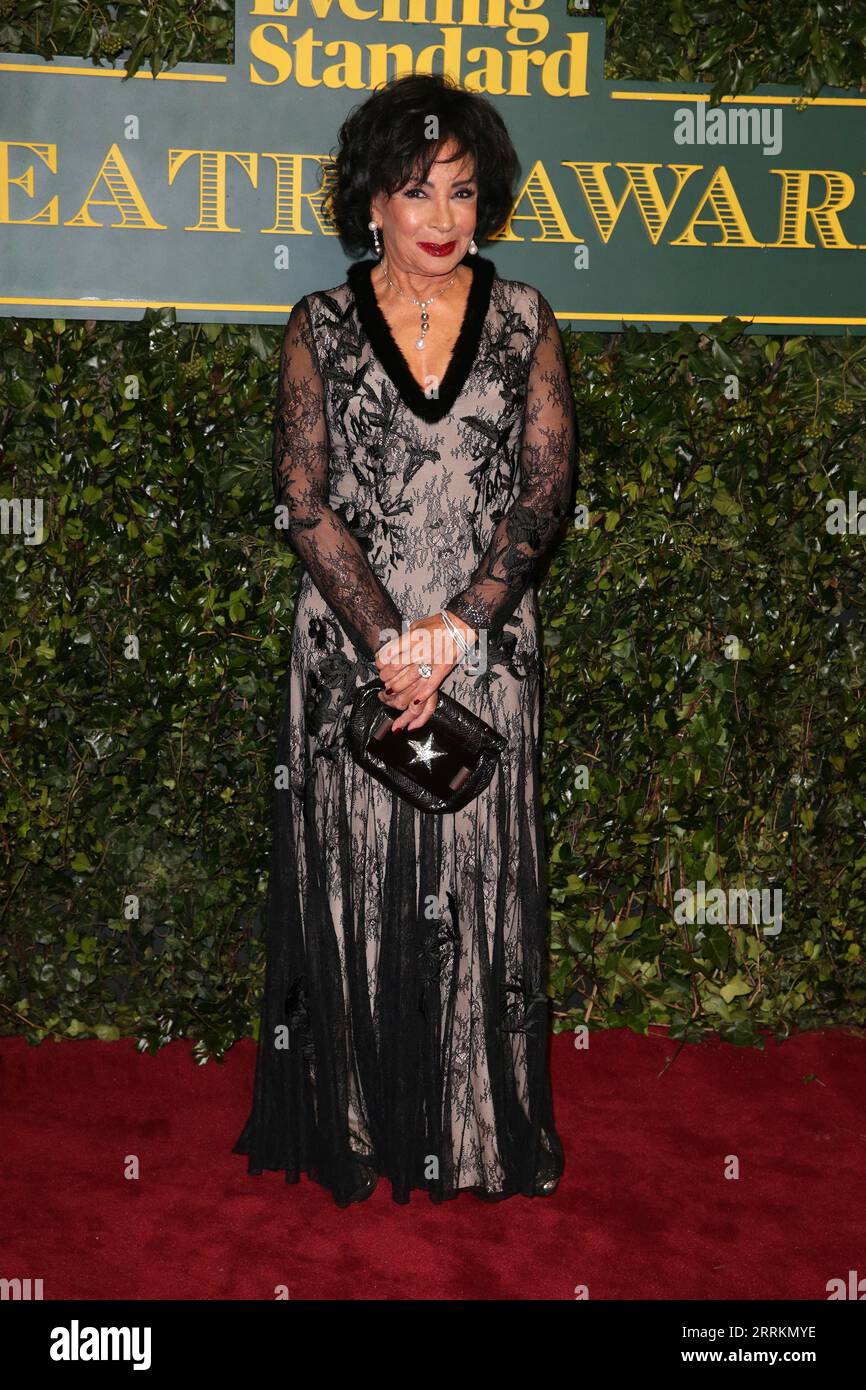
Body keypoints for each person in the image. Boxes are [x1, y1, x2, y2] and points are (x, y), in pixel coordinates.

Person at [233, 71, 576, 1207]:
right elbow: (302, 499)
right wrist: (391, 642)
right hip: (351, 648)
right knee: (357, 880)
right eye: (413, 191)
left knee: (475, 891)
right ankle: (359, 1126)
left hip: (483, 645)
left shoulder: (524, 317)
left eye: (463, 194)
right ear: (369, 203)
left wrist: (454, 631)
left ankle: (474, 1134)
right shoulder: (318, 329)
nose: (441, 219)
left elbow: (541, 495)